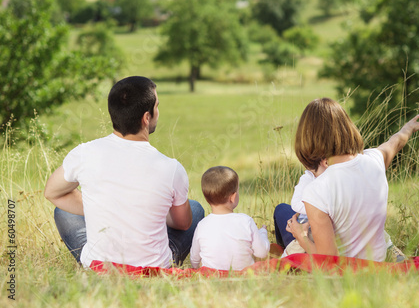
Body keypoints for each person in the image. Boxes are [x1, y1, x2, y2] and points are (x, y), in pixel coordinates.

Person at [44, 76, 204, 269]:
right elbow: (183, 223)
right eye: (157, 106)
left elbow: (52, 192)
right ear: (146, 117)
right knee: (194, 209)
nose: (158, 112)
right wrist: (150, 211)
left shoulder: (85, 153)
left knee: (63, 211)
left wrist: (108, 207)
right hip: (154, 267)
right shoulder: (171, 167)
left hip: (99, 264)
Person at [274, 98, 419, 262]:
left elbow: (330, 262)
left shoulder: (317, 190)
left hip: (349, 267)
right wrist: (407, 128)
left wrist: (300, 235)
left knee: (282, 212)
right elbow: (394, 143)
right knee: (283, 211)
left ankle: (283, 253)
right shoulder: (374, 160)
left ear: (307, 138)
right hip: (379, 260)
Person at [190, 166, 270, 270]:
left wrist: (196, 268)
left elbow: (194, 259)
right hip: (243, 276)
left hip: (212, 277)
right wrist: (263, 233)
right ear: (233, 197)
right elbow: (262, 252)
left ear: (206, 198)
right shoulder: (246, 221)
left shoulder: (202, 225)